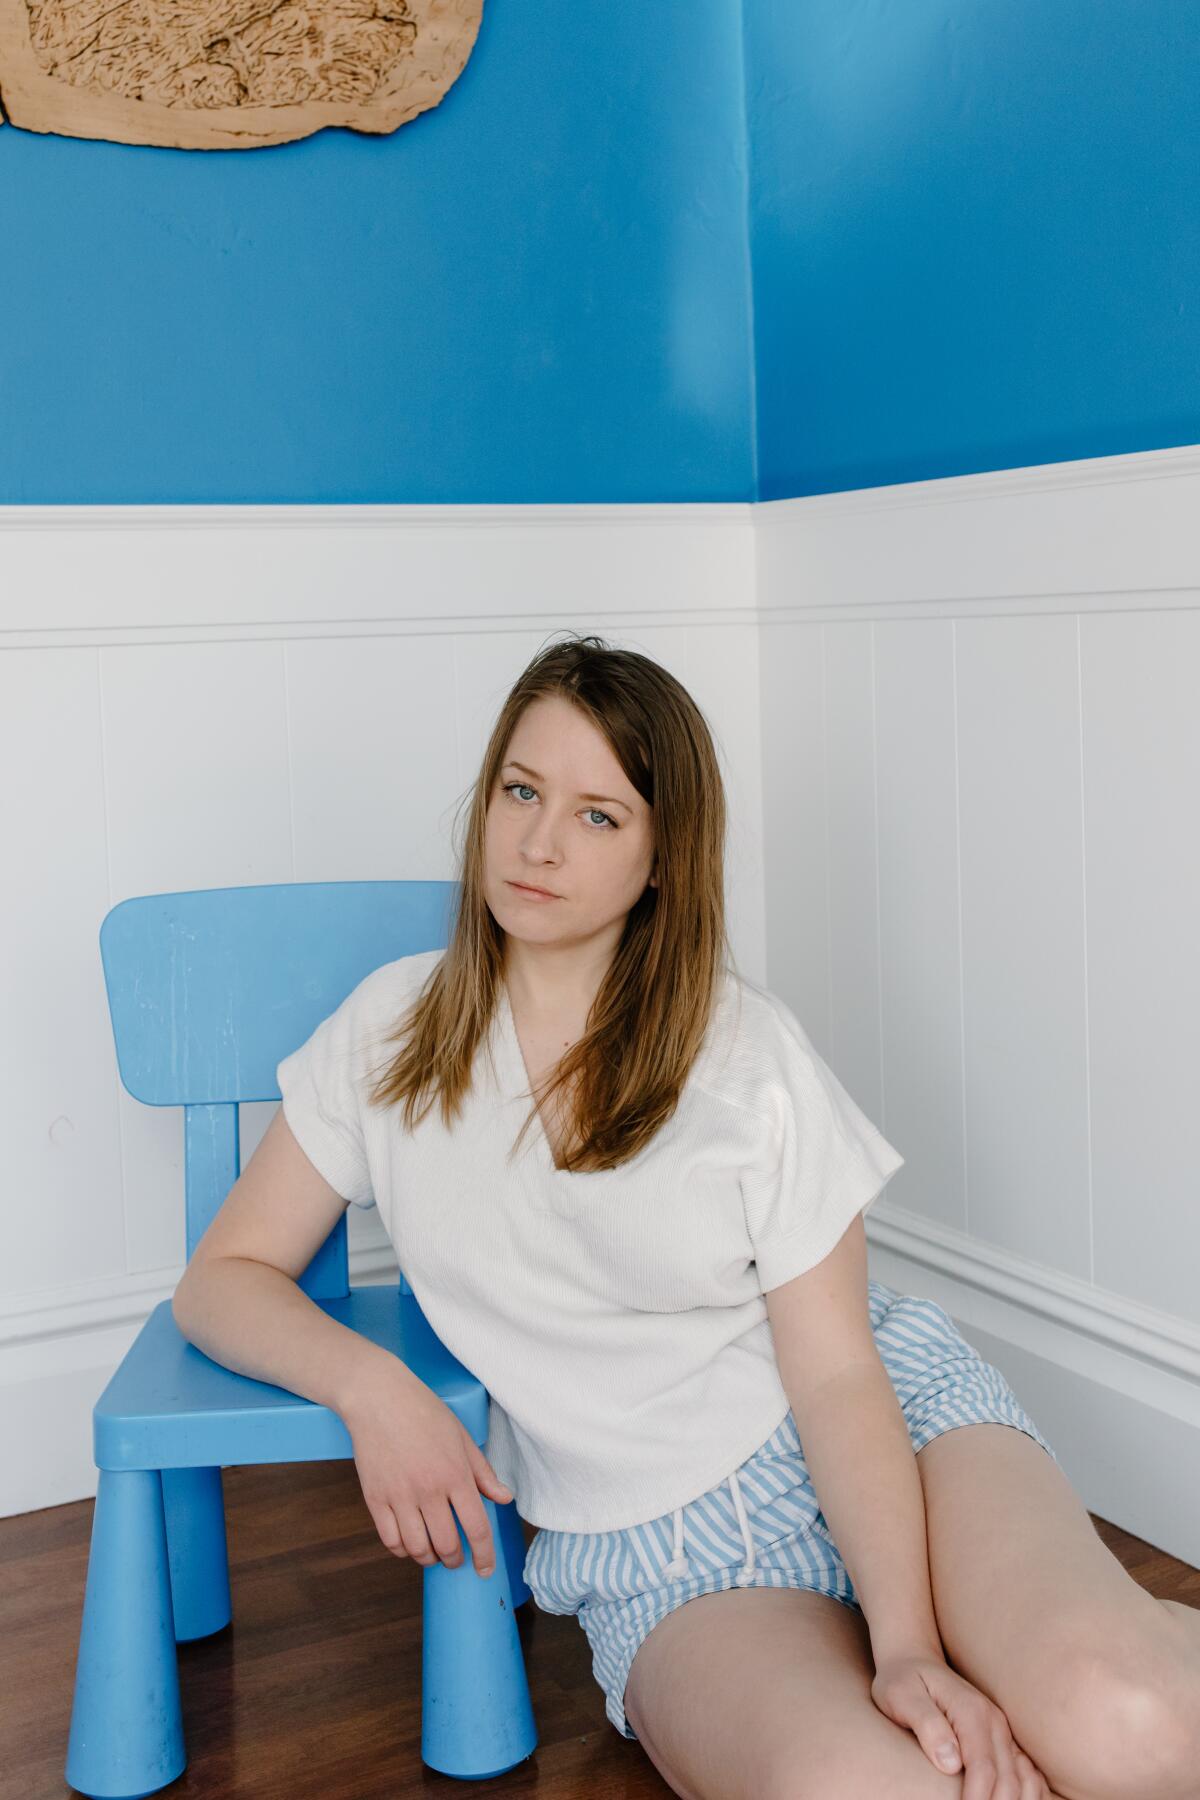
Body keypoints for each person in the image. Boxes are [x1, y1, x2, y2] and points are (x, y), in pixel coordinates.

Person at [172, 634, 1199, 1800]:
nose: (540, 842)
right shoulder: (392, 1035)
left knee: (1130, 1729)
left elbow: (838, 1378)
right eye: (521, 790)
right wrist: (374, 1391)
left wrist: (912, 1649)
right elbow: (224, 1277)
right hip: (659, 1549)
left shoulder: (744, 1055)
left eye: (600, 815)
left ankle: (1104, 1653)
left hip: (887, 1435)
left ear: (664, 858)